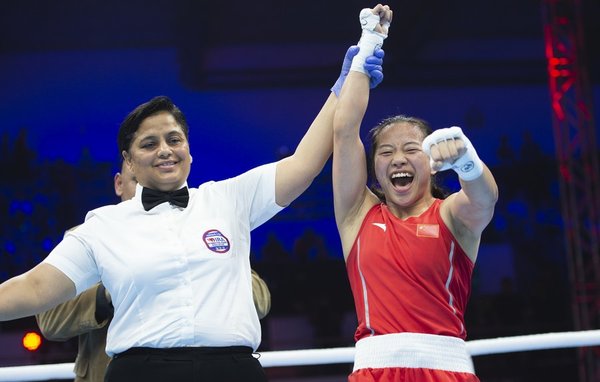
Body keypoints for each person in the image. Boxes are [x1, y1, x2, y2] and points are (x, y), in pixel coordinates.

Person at [0, 7, 388, 380]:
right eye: (149, 144)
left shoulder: (228, 199)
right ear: (128, 163)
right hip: (142, 373)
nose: (165, 150)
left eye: (174, 139)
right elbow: (35, 288)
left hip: (232, 370)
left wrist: (346, 82)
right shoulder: (103, 226)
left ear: (189, 150)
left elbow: (305, 162)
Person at [332, 7, 498, 382]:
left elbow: (484, 199)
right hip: (374, 369)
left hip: (445, 369)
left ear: (430, 161)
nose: (398, 159)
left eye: (411, 149)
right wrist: (369, 42)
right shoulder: (358, 215)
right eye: (386, 152)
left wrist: (467, 162)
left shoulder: (451, 215)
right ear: (373, 167)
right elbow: (344, 131)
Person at [34, 162, 273, 382]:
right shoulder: (91, 235)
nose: (152, 186)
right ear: (119, 184)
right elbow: (50, 320)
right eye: (139, 181)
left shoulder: (203, 231)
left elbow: (261, 301)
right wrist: (107, 293)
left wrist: (199, 270)